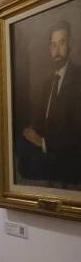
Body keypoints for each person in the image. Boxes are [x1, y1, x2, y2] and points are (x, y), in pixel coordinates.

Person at [21, 20, 81, 186]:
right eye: (53, 45)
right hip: (48, 167)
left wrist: (43, 142)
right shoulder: (48, 83)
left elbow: (77, 134)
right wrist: (32, 132)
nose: (57, 51)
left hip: (71, 170)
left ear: (70, 44)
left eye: (61, 43)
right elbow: (44, 120)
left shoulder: (78, 79)